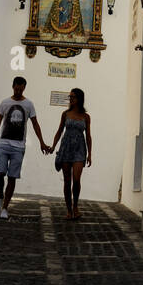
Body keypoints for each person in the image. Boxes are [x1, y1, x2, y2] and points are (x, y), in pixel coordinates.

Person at [0, 76, 47, 220]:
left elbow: (35, 124)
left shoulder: (29, 104)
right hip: (3, 144)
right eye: (16, 88)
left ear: (24, 88)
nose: (18, 91)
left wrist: (42, 142)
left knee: (12, 177)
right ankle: (0, 197)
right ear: (13, 86)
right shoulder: (5, 102)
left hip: (18, 147)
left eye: (21, 89)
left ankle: (5, 207)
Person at [50, 88, 92, 220]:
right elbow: (59, 131)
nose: (71, 99)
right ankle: (69, 210)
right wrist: (53, 145)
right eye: (70, 97)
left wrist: (90, 154)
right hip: (66, 148)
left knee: (77, 179)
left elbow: (88, 136)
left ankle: (76, 206)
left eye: (73, 97)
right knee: (67, 181)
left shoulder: (86, 117)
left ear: (79, 98)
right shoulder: (65, 114)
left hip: (79, 149)